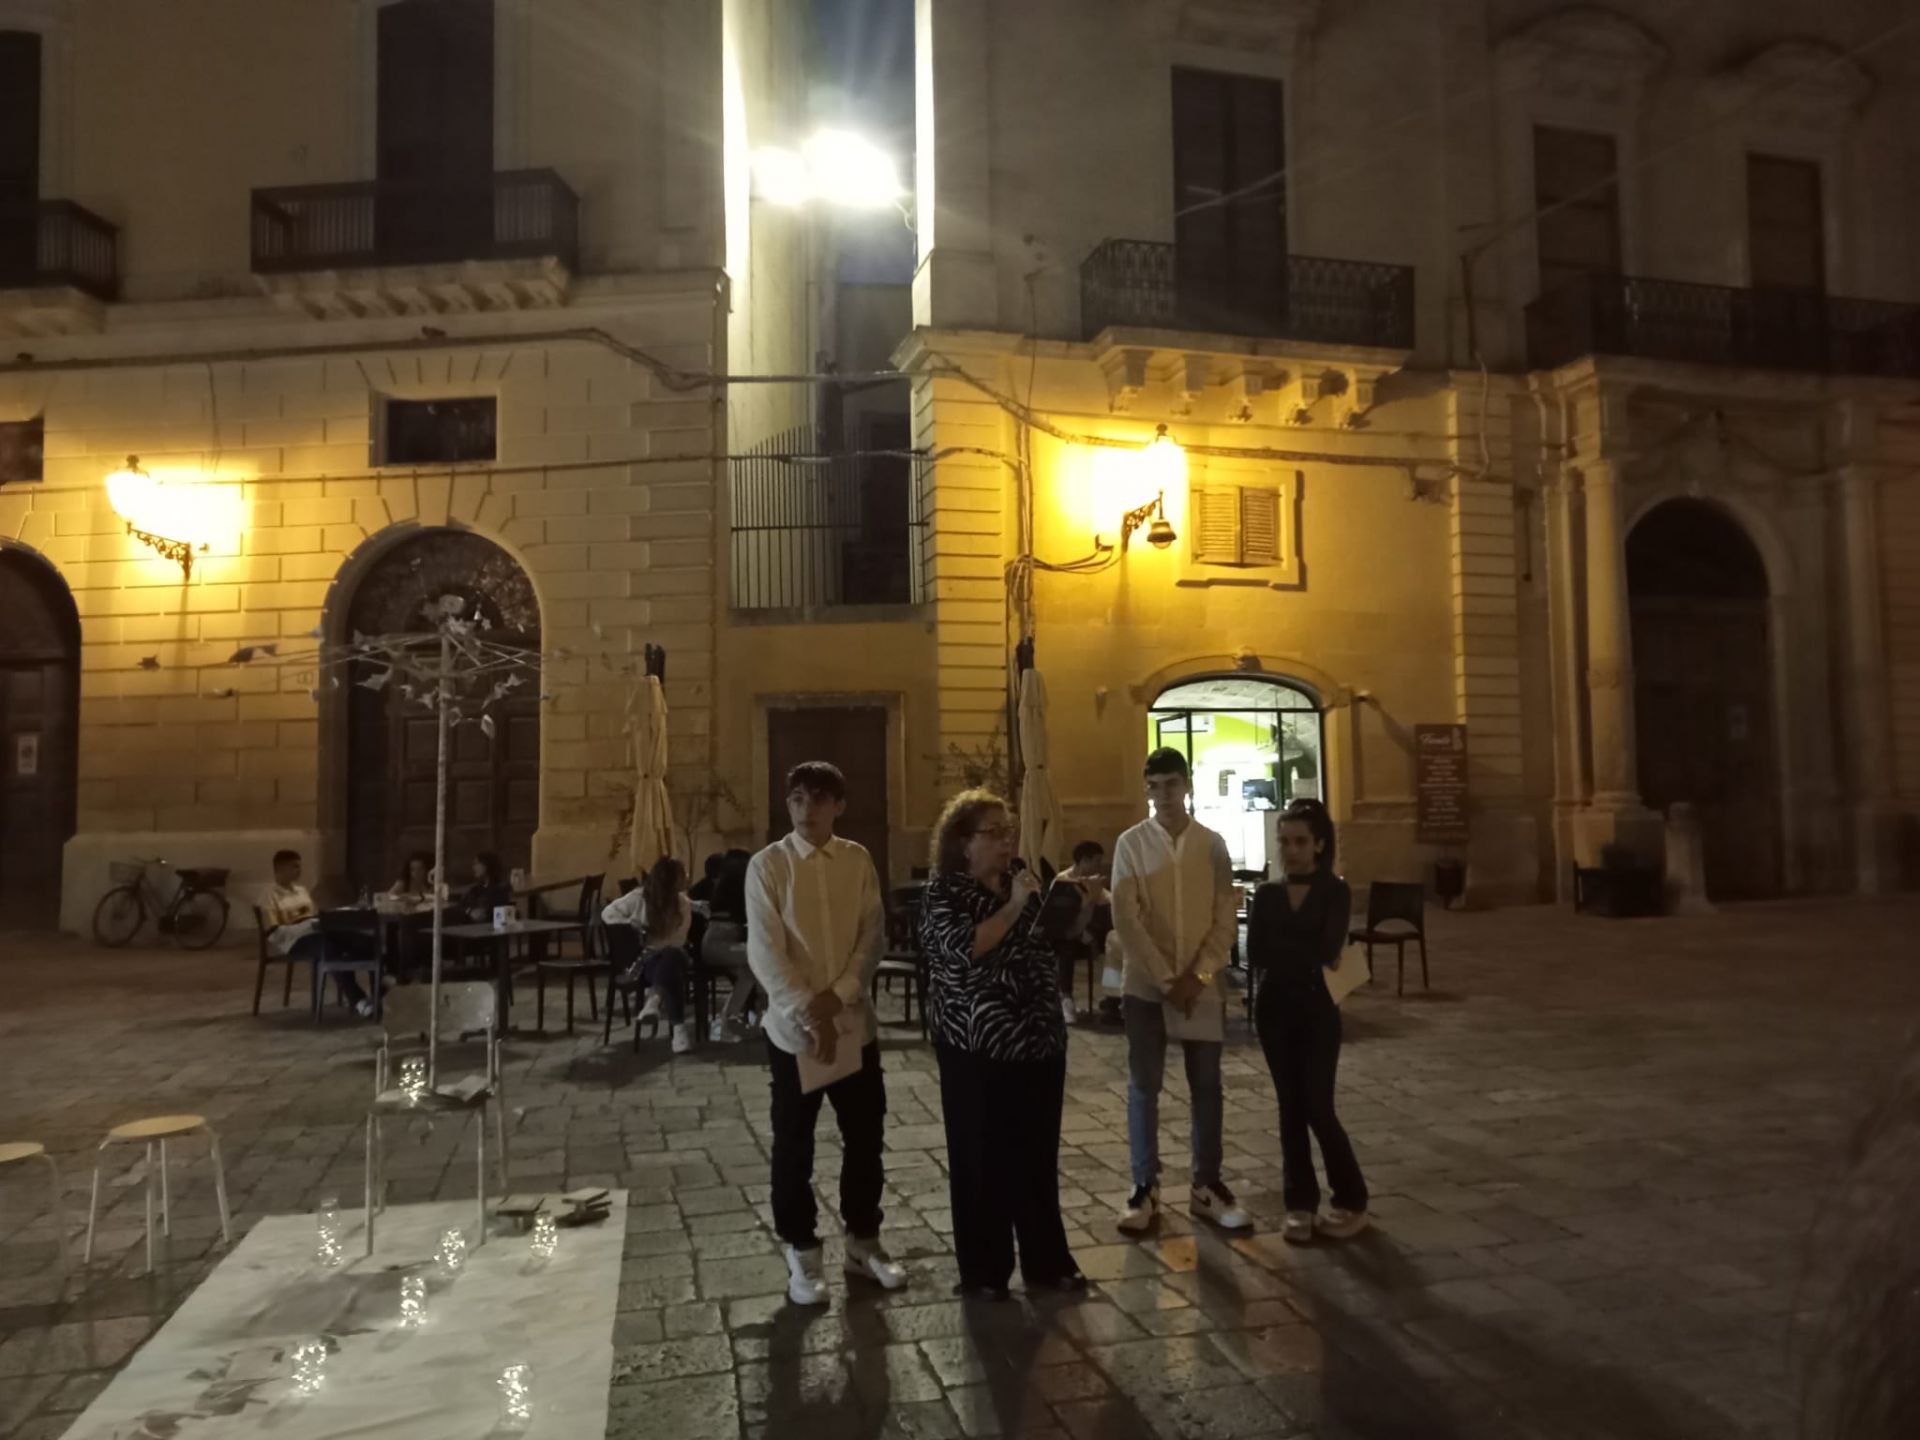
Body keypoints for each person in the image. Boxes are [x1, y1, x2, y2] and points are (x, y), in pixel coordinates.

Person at [745, 761, 902, 1305]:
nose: (805, 808)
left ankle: (863, 1241)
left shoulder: (857, 860)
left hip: (853, 1023)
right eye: (796, 798)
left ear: (838, 805)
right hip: (794, 1033)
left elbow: (871, 935)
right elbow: (766, 950)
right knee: (794, 1143)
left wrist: (840, 997)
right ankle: (802, 1251)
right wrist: (810, 1012)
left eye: (817, 798)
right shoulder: (768, 865)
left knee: (864, 1137)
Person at [919, 789, 1083, 1299]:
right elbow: (963, 949)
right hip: (976, 1045)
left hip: (1038, 1040)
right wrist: (1014, 907)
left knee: (1036, 1156)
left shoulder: (1022, 882)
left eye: (1008, 831)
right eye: (993, 833)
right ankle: (985, 1273)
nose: (1006, 841)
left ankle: (1046, 1263)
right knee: (981, 1158)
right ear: (962, 843)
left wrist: (1075, 910)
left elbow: (1052, 943)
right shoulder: (944, 893)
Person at [1109, 746, 1250, 1235]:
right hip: (1147, 986)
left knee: (1207, 1085)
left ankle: (1206, 1184)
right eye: (1154, 786)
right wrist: (1167, 980)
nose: (1163, 795)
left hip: (1200, 986)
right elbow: (1126, 919)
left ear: (1187, 785)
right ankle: (1144, 1186)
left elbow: (1224, 917)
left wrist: (1199, 976)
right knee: (1143, 1086)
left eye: (1171, 784)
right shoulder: (1131, 845)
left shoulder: (1212, 845)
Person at [1245, 799, 1368, 1243]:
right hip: (1274, 1009)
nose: (1291, 850)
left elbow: (1327, 948)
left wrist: (1290, 950)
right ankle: (1299, 1202)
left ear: (1318, 844)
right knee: (1290, 1106)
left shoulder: (1335, 891)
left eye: (1299, 841)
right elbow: (1255, 953)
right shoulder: (1267, 894)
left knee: (1317, 1103)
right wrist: (1300, 951)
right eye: (1284, 842)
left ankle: (1351, 1197)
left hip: (1317, 1010)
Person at [260, 849, 373, 1017]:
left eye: (299, 866)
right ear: (280, 868)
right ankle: (358, 999)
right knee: (329, 949)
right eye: (294, 867)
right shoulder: (269, 895)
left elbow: (315, 914)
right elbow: (273, 931)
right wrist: (306, 927)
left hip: (316, 930)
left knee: (362, 941)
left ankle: (377, 991)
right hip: (294, 940)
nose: (299, 870)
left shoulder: (301, 890)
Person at [602, 856, 696, 1054]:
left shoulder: (682, 904)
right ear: (670, 879)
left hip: (671, 954)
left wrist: (659, 947)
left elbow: (678, 939)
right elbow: (608, 913)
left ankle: (654, 1000)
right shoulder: (638, 898)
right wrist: (630, 924)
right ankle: (678, 1032)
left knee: (671, 956)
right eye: (682, 874)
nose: (686, 878)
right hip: (648, 962)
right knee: (670, 970)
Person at [700, 850, 761, 1043]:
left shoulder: (723, 887)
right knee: (764, 957)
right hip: (719, 945)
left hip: (715, 944)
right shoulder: (738, 890)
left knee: (750, 972)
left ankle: (725, 1022)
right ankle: (762, 1016)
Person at [1054, 840, 1110, 1024]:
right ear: (1084, 860)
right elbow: (1061, 921)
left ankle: (1113, 997)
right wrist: (1084, 935)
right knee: (1066, 946)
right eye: (1096, 861)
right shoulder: (1063, 880)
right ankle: (1066, 998)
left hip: (1091, 934)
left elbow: (1109, 901)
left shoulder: (1094, 881)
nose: (1099, 866)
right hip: (1068, 936)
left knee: (1115, 940)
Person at [459, 852, 512, 921]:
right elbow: (461, 905)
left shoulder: (501, 888)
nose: (474, 867)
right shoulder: (475, 889)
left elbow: (496, 911)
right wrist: (470, 911)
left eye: (476, 863)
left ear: (486, 865)